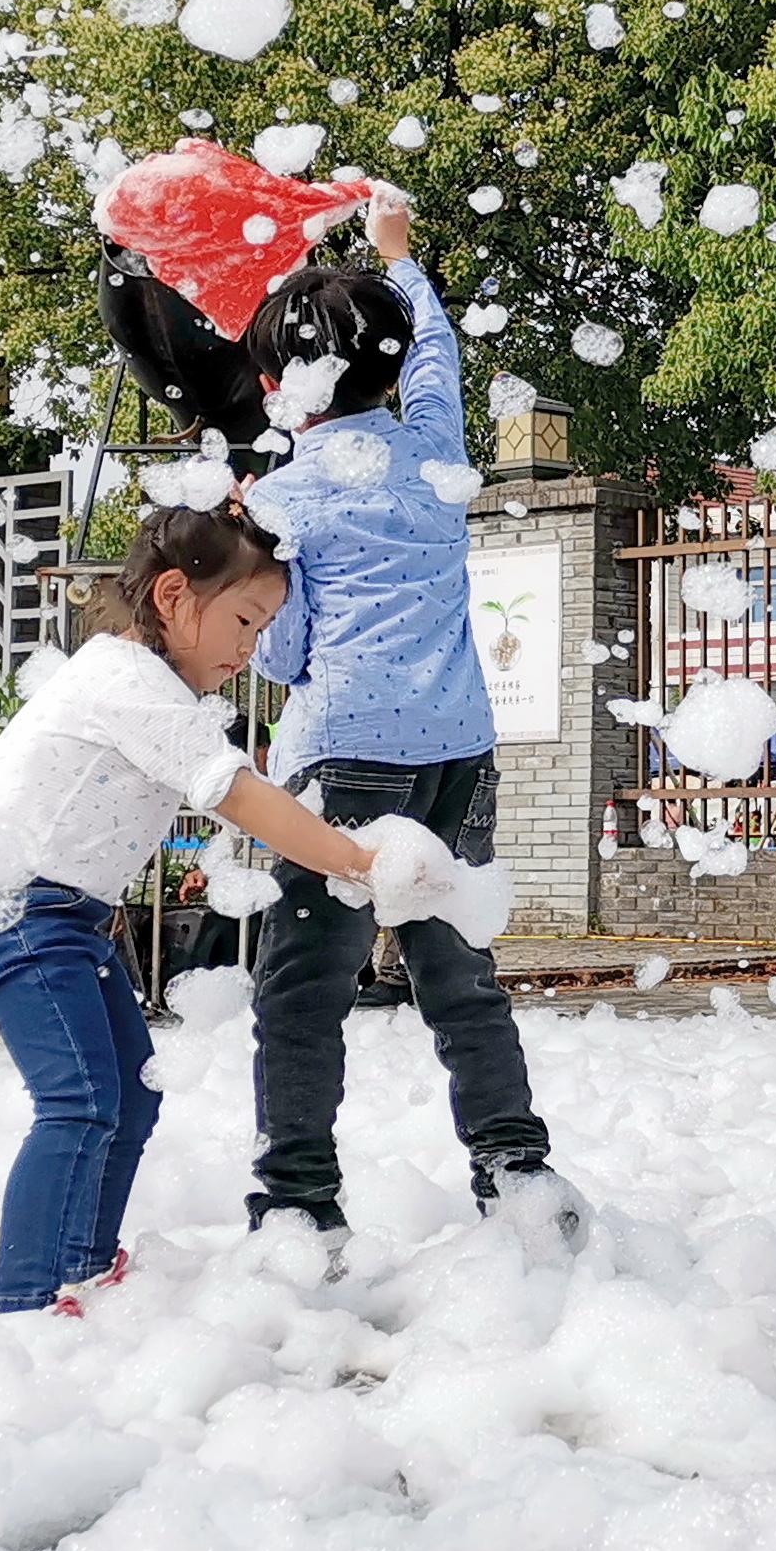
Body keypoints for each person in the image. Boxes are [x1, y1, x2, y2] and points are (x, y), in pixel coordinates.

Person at [241, 185, 579, 1245]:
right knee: (457, 971)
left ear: (282, 386)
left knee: (303, 987)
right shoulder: (435, 452)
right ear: (386, 375)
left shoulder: (283, 499)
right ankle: (517, 1170)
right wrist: (400, 258)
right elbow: (437, 355)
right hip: (456, 753)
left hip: (343, 760)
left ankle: (297, 1203)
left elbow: (285, 647)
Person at [0, 503, 378, 1315]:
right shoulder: (127, 680)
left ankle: (86, 1262)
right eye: (245, 619)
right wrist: (357, 862)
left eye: (264, 627)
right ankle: (30, 1298)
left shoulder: (149, 686)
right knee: (79, 1100)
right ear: (175, 596)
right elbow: (239, 796)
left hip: (64, 921)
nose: (251, 647)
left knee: (132, 1093)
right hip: (9, 910)